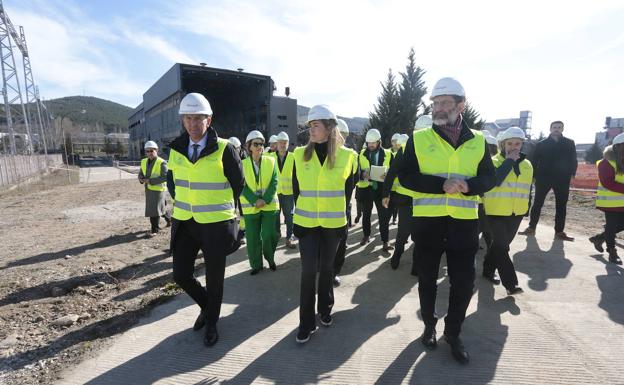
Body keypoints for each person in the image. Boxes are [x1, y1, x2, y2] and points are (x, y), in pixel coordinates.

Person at [396, 77, 495, 364]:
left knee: (463, 284)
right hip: (428, 224)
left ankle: (453, 332)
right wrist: (439, 185)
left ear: (460, 105)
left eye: (444, 103)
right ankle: (429, 326)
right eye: (435, 103)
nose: (438, 109)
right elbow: (405, 176)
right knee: (427, 281)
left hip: (464, 225)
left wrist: (470, 186)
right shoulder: (419, 138)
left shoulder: (478, 141)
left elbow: (488, 177)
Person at [166, 92, 244, 347]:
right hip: (185, 221)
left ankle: (212, 322)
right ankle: (208, 307)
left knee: (215, 278)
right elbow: (172, 183)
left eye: (197, 118)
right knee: (180, 274)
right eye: (187, 118)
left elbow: (238, 185)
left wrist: (225, 213)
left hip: (214, 223)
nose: (192, 123)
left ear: (208, 120)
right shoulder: (176, 149)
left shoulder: (224, 148)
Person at [293, 105, 355, 343]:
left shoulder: (348, 156)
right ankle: (306, 323)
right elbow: (297, 189)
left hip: (333, 225)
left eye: (315, 125)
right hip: (307, 224)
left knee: (327, 269)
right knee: (309, 272)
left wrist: (343, 221)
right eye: (310, 125)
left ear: (329, 128)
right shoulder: (299, 154)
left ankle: (325, 308)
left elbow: (348, 193)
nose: (311, 129)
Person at [482, 127, 532, 294]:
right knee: (503, 247)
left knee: (498, 246)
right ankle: (511, 284)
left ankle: (487, 269)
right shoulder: (493, 161)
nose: (514, 146)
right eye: (510, 143)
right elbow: (495, 181)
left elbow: (527, 189)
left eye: (517, 143)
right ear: (502, 145)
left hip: (516, 213)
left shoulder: (527, 165)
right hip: (495, 211)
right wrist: (509, 161)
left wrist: (527, 209)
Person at [519, 121, 577, 241]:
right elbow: (535, 160)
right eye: (554, 127)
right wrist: (533, 175)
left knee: (561, 205)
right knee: (537, 204)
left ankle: (559, 231)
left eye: (559, 127)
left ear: (562, 129)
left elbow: (573, 159)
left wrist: (572, 174)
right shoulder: (542, 144)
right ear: (550, 129)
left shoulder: (569, 143)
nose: (556, 129)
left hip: (562, 179)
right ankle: (531, 227)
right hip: (543, 178)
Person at [241, 130, 280, 274]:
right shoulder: (242, 164)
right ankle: (256, 265)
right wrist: (254, 200)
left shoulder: (271, 161)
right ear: (249, 147)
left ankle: (270, 258)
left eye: (261, 144)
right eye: (256, 144)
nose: (259, 146)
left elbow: (275, 182)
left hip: (269, 205)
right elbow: (241, 185)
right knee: (252, 238)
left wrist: (265, 199)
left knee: (270, 234)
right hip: (251, 208)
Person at [589, 133, 624, 265]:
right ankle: (612, 251)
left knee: (616, 226)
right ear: (618, 147)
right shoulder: (606, 162)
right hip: (611, 202)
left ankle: (599, 238)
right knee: (611, 226)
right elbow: (607, 182)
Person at [382, 133, 415, 271]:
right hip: (407, 200)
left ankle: (417, 265)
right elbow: (392, 172)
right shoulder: (406, 149)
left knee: (421, 234)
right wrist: (386, 194)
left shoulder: (436, 149)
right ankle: (397, 255)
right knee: (403, 231)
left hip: (427, 201)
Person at [357, 128, 394, 251]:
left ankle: (385, 241)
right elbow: (357, 171)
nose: (370, 145)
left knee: (383, 216)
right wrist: (363, 174)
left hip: (381, 189)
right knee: (366, 215)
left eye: (373, 142)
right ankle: (366, 236)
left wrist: (388, 175)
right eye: (368, 143)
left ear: (379, 142)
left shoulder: (388, 154)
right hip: (367, 189)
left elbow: (394, 171)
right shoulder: (361, 154)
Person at [333, 118, 359, 286]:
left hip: (342, 204)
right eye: (338, 134)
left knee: (341, 238)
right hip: (321, 207)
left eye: (343, 135)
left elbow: (354, 178)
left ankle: (335, 271)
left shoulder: (351, 155)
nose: (340, 137)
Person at [479, 131, 500, 284]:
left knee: (490, 239)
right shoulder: (472, 160)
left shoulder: (496, 162)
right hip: (475, 205)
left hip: (491, 207)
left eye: (490, 147)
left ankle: (489, 270)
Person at [270, 131, 297, 248]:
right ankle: (277, 234)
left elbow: (297, 175)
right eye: (280, 142)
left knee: (289, 216)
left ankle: (289, 237)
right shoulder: (270, 157)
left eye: (285, 142)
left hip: (288, 192)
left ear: (288, 144)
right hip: (275, 192)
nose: (282, 145)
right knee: (276, 215)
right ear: (277, 144)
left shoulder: (293, 157)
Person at [138, 140, 171, 235]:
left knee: (154, 210)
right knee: (160, 207)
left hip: (158, 190)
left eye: (151, 151)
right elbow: (141, 172)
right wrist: (140, 178)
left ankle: (154, 230)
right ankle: (169, 220)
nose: (149, 153)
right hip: (148, 189)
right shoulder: (143, 161)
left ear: (157, 150)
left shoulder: (162, 162)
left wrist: (150, 181)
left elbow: (165, 177)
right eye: (147, 151)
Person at [229, 136, 246, 244]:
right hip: (230, 190)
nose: (235, 151)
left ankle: (242, 233)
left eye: (237, 149)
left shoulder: (244, 158)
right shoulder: (226, 157)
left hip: (242, 188)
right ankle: (232, 234)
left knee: (243, 211)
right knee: (231, 212)